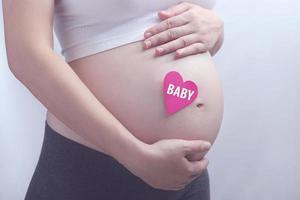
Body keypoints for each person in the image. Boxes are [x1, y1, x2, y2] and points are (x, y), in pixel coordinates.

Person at [3, 0, 224, 199]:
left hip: (188, 176)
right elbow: (26, 54)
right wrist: (134, 156)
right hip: (94, 168)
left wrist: (216, 28)